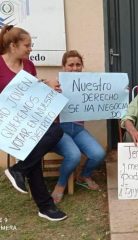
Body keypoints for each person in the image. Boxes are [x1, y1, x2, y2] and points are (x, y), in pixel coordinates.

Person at [0, 25, 67, 221]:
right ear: (13, 46)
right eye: (27, 45)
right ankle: (45, 207)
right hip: (8, 124)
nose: (30, 49)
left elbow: (32, 91)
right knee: (32, 153)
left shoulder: (28, 65)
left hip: (29, 120)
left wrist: (47, 88)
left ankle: (19, 169)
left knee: (56, 131)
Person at [50, 50, 106, 204]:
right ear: (64, 67)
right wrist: (53, 93)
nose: (74, 68)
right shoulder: (55, 85)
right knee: (74, 155)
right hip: (60, 130)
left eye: (78, 64)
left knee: (99, 153)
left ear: (82, 66)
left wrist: (118, 93)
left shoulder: (87, 84)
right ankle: (60, 185)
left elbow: (101, 100)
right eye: (71, 65)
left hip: (78, 129)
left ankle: (84, 175)